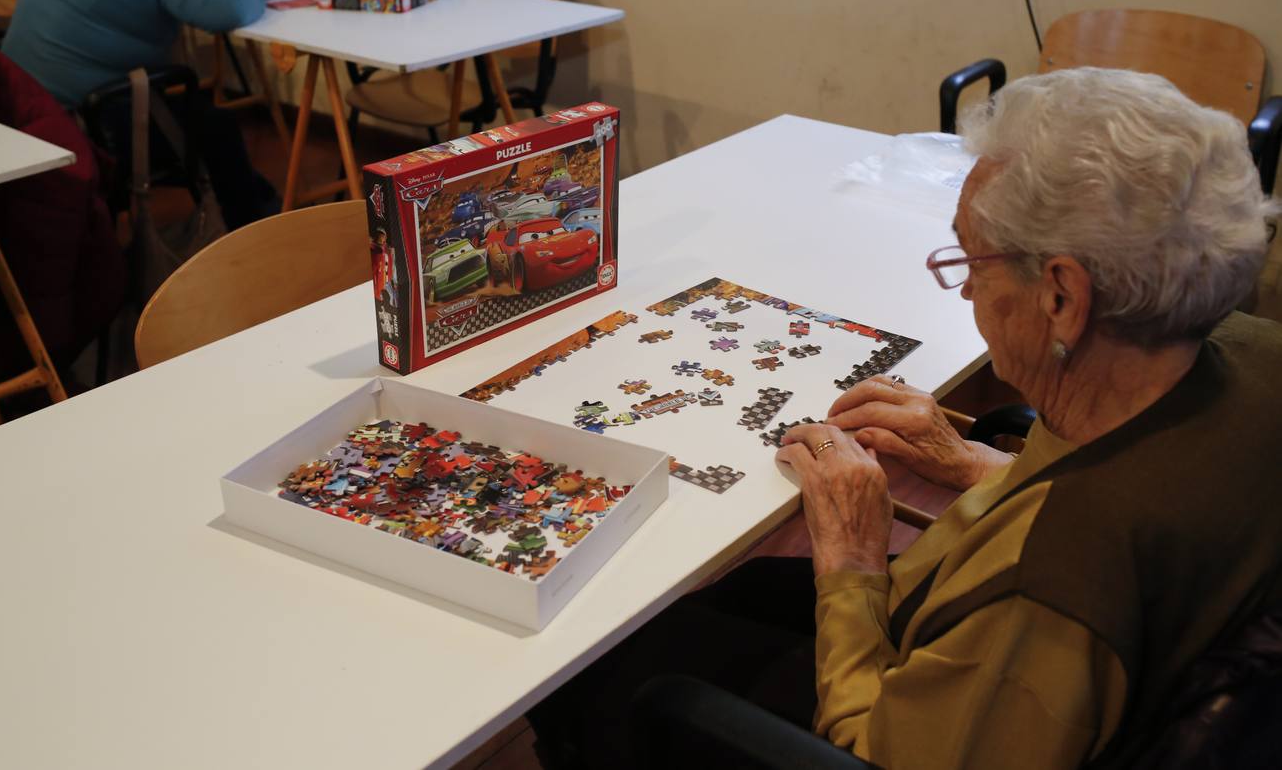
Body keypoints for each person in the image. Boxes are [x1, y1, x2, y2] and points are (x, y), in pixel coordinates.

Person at [528, 68, 1282, 769]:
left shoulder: (1049, 595)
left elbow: (878, 749)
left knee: (592, 671)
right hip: (1039, 637)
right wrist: (972, 462)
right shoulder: (1251, 358)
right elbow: (1123, 475)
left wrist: (853, 563)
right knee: (729, 594)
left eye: (971, 262)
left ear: (1062, 298)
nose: (962, 293)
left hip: (910, 700)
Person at [2, 0, 280, 228]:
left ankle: (261, 208)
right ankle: (255, 229)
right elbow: (228, 10)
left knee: (204, 126)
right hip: (86, 119)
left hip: (17, 101)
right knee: (218, 129)